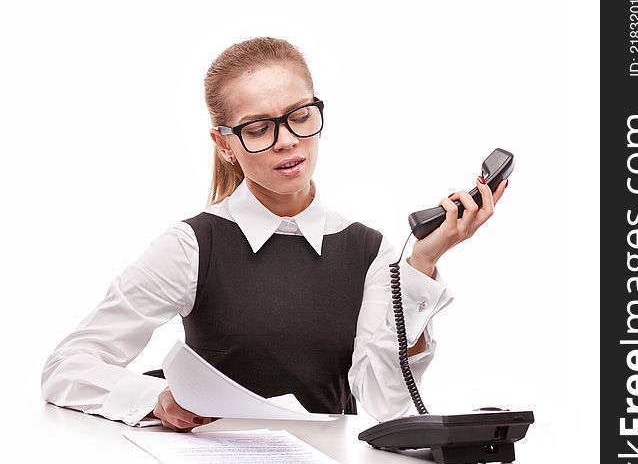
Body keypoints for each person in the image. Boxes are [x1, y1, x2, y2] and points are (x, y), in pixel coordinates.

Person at [41, 37, 507, 432]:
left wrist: (421, 264)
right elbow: (67, 366)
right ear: (225, 144)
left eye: (300, 116)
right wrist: (156, 398)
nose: (286, 141)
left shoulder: (369, 250)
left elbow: (384, 405)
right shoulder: (193, 246)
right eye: (258, 128)